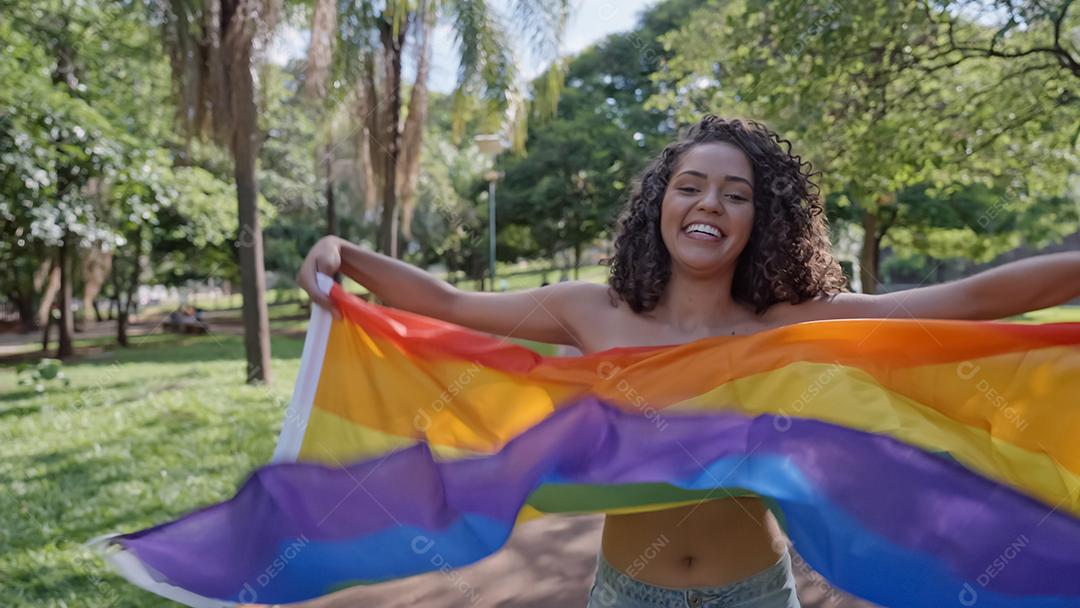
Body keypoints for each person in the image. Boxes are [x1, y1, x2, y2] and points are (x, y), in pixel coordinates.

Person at [297, 115, 1080, 608]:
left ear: (758, 222)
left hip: (755, 594)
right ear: (660, 205)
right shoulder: (591, 312)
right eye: (691, 186)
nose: (710, 204)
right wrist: (342, 253)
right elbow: (453, 306)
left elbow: (971, 302)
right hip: (627, 593)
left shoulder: (792, 326)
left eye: (735, 194)